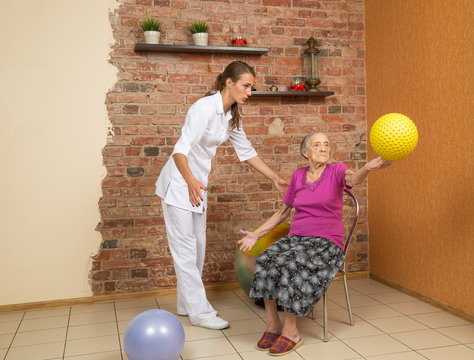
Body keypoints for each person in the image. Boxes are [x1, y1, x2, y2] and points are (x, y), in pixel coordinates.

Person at [156, 61, 288, 330]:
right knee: (185, 251)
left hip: (197, 186)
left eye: (252, 87)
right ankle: (201, 314)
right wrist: (190, 181)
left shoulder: (232, 115)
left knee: (197, 249)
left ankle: (186, 304)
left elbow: (246, 150)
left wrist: (274, 177)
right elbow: (179, 151)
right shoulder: (203, 109)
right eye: (246, 86)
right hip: (180, 186)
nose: (250, 92)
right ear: (228, 82)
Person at [238, 132, 391, 355]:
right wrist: (256, 234)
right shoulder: (298, 175)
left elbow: (354, 179)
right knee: (266, 259)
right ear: (305, 152)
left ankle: (291, 332)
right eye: (317, 145)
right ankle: (273, 324)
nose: (323, 148)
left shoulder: (337, 170)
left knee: (293, 262)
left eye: (327, 145)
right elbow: (283, 213)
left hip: (327, 242)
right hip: (297, 238)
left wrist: (367, 167)